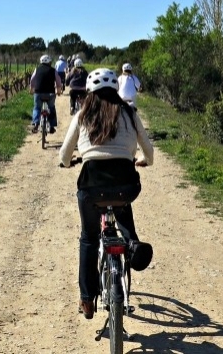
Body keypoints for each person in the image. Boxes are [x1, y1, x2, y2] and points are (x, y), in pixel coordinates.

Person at [58, 68, 154, 320]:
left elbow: (64, 154)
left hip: (91, 189)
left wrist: (68, 163)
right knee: (122, 202)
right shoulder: (130, 114)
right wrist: (143, 160)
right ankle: (131, 243)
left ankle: (87, 299)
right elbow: (149, 151)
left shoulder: (82, 115)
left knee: (89, 238)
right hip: (125, 186)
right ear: (116, 90)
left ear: (89, 93)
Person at [30, 54, 63, 134]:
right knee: (51, 108)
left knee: (37, 108)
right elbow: (58, 82)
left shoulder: (36, 69)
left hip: (38, 93)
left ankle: (36, 123)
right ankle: (51, 126)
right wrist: (58, 91)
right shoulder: (53, 70)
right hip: (50, 94)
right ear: (49, 62)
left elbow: (32, 80)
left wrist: (31, 90)